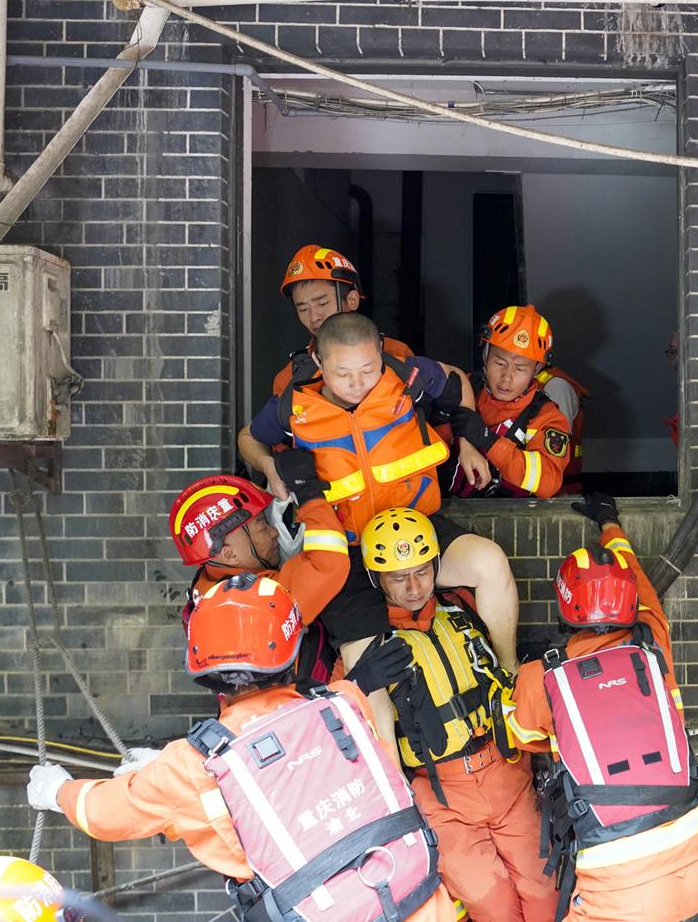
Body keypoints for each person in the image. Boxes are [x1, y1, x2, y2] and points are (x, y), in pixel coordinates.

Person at [26, 576, 456, 922]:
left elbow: (105, 812)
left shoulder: (193, 766)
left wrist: (57, 790)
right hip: (421, 898)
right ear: (293, 653)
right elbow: (302, 754)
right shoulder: (341, 707)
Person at [239, 312, 520, 744]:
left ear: (381, 354)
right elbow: (249, 438)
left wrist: (467, 440)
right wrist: (269, 467)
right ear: (318, 360)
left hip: (415, 529)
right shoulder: (294, 403)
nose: (357, 382)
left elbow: (459, 382)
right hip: (347, 551)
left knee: (490, 562)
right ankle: (392, 781)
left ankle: (509, 676)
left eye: (368, 370)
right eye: (343, 373)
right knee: (367, 671)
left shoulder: (407, 376)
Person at [511, 493, 698, 922]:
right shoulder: (653, 641)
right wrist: (610, 523)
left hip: (620, 886)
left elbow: (522, 736)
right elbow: (636, 577)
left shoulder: (543, 676)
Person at [350, 508, 558, 922]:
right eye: (397, 577)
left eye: (423, 572)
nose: (413, 587)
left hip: (506, 773)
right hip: (442, 795)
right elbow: (342, 726)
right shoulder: (375, 648)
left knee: (546, 898)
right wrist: (358, 683)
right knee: (493, 907)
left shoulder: (462, 612)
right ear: (377, 579)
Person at [170, 470, 349, 681]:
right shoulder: (255, 602)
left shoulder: (207, 586)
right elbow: (327, 562)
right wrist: (310, 496)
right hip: (306, 707)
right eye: (262, 526)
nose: (274, 532)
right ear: (228, 553)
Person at [447, 305, 576, 499]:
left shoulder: (547, 417)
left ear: (537, 369)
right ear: (485, 355)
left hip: (515, 520)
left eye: (520, 368)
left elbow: (547, 482)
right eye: (499, 363)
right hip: (451, 515)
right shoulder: (461, 389)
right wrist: (464, 441)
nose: (507, 377)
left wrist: (487, 441)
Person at [273, 243, 413, 396]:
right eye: (303, 309)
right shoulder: (290, 379)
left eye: (322, 303)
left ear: (352, 300)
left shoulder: (397, 355)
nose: (314, 317)